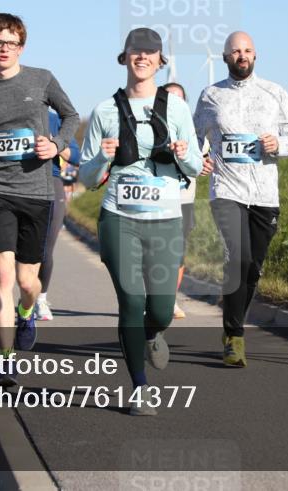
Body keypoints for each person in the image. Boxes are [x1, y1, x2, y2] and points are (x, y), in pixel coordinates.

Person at [79, 28, 202, 415]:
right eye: (136, 51)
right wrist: (102, 157)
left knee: (162, 310)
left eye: (150, 53)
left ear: (160, 61)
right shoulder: (104, 111)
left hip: (165, 218)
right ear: (125, 57)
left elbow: (196, 167)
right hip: (120, 217)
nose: (142, 58)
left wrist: (182, 154)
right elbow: (85, 177)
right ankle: (140, 388)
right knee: (131, 300)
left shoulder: (178, 109)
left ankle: (152, 333)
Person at [0, 12, 78, 387]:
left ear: (21, 47)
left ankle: (27, 311)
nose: (5, 49)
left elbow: (70, 116)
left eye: (11, 43)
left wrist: (57, 144)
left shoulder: (41, 79)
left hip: (38, 192)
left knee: (28, 282)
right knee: (2, 274)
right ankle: (7, 359)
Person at [193, 31, 288, 367]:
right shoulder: (211, 95)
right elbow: (195, 135)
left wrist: (279, 145)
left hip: (264, 193)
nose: (241, 56)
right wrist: (199, 159)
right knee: (238, 257)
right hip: (226, 190)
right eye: (235, 51)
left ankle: (233, 315)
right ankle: (234, 335)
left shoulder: (275, 93)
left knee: (253, 268)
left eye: (247, 51)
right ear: (225, 57)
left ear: (255, 55)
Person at [162, 81, 204, 319]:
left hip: (184, 200)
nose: (174, 103)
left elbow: (204, 159)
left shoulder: (194, 132)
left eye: (179, 98)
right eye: (169, 98)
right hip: (155, 201)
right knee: (153, 254)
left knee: (177, 254)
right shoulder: (148, 129)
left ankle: (170, 300)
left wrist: (205, 164)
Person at [35, 110, 81, 321]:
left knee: (45, 249)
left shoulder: (54, 119)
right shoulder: (9, 110)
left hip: (52, 184)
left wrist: (56, 146)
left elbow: (77, 156)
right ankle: (23, 295)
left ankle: (41, 298)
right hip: (15, 187)